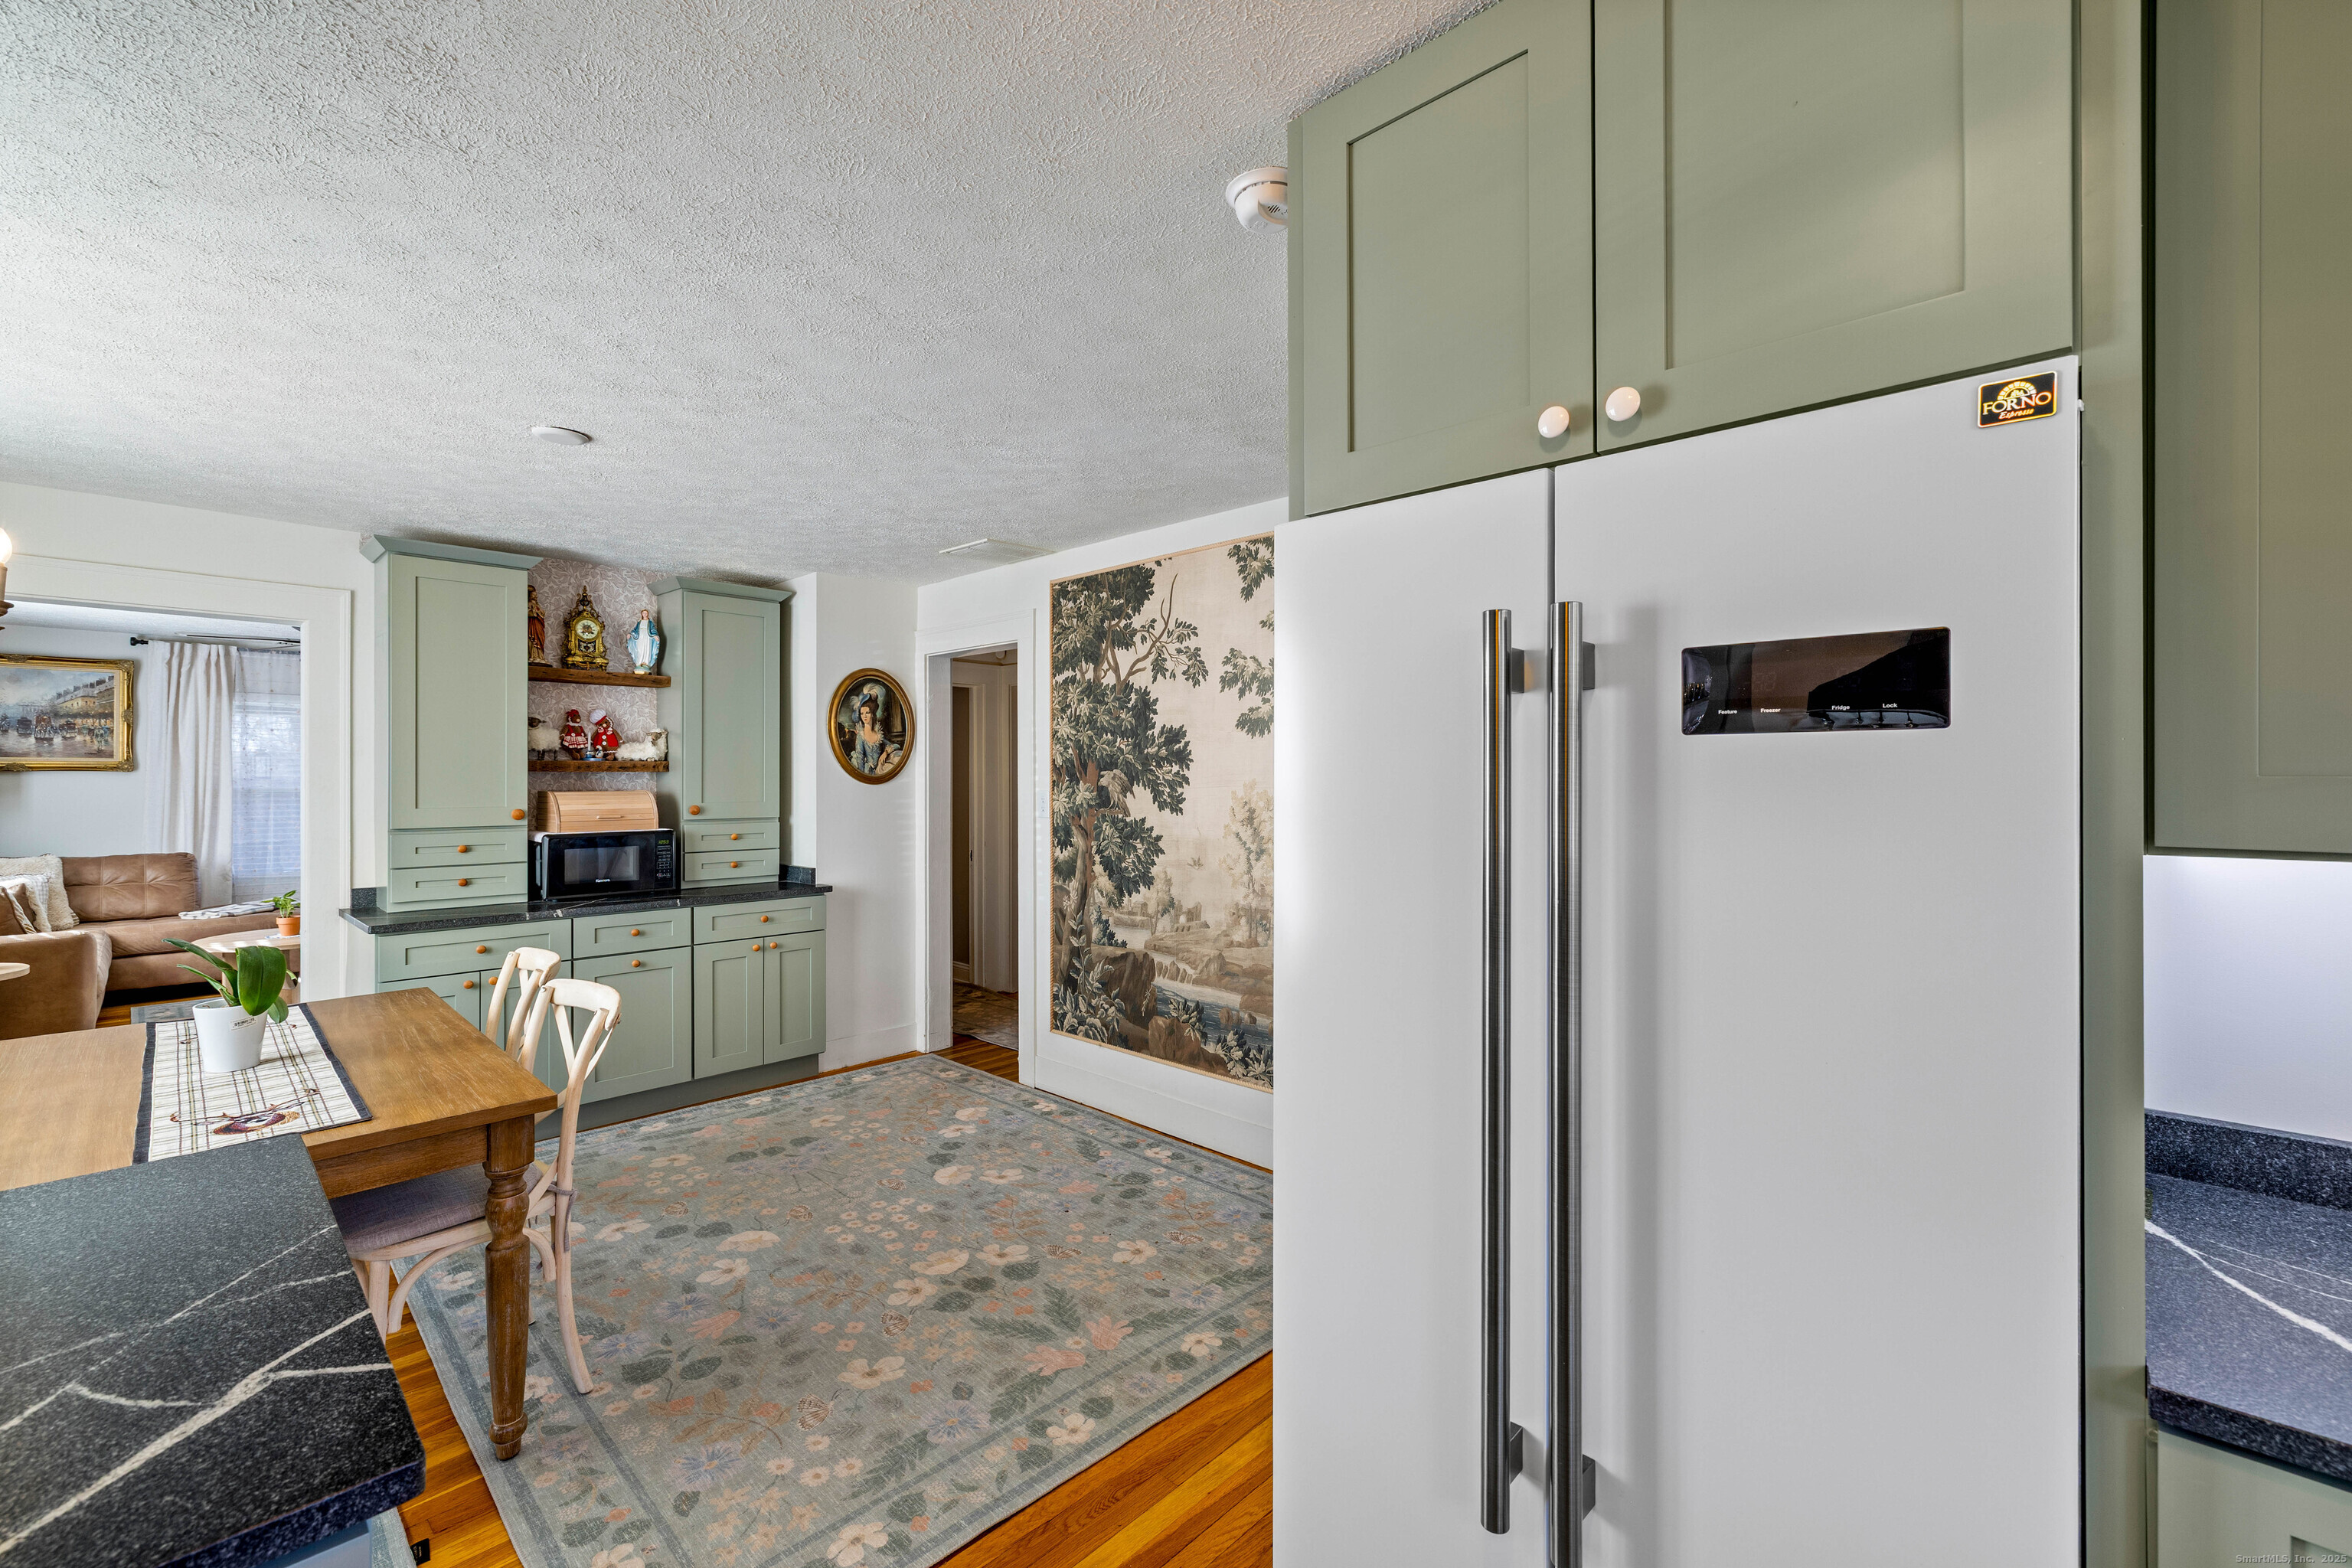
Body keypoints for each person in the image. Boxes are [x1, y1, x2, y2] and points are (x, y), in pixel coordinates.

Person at [850, 693, 890, 774]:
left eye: (867, 713)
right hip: (867, 771)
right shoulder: (861, 736)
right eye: (862, 713)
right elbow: (860, 759)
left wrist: (885, 753)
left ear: (872, 714)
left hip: (879, 769)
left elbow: (895, 745)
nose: (864, 716)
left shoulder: (878, 734)